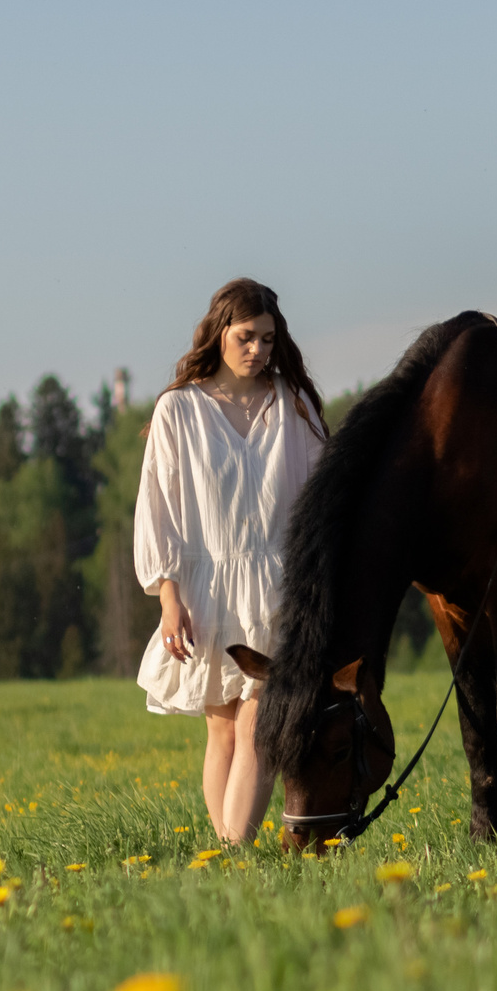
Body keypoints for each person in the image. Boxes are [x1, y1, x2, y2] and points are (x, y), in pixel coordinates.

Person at [133, 278, 329, 843]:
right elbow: (158, 509)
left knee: (259, 726)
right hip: (206, 592)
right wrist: (169, 599)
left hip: (279, 590)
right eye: (246, 337)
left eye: (268, 339)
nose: (258, 350)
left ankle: (234, 855)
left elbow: (324, 499)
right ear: (219, 332)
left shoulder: (293, 405)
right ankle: (231, 861)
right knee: (221, 732)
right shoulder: (178, 409)